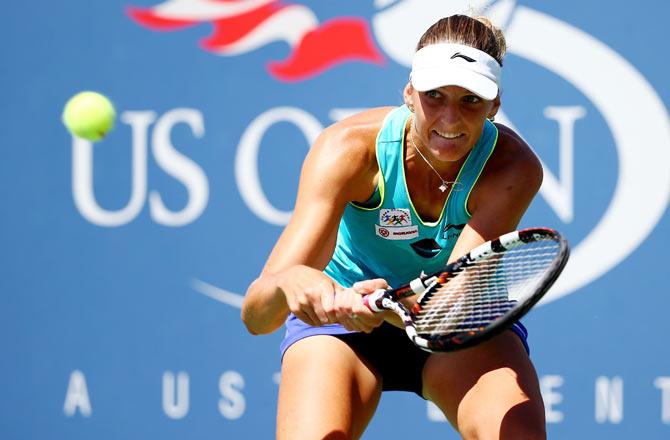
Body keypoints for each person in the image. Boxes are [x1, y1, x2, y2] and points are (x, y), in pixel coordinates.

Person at [241, 14, 546, 440]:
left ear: (494, 106)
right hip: (341, 326)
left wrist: (384, 305)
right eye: (434, 95)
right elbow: (256, 317)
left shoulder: (513, 169)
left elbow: (446, 308)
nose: (449, 118)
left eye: (470, 101)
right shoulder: (347, 150)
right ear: (408, 92)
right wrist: (291, 283)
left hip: (452, 323)